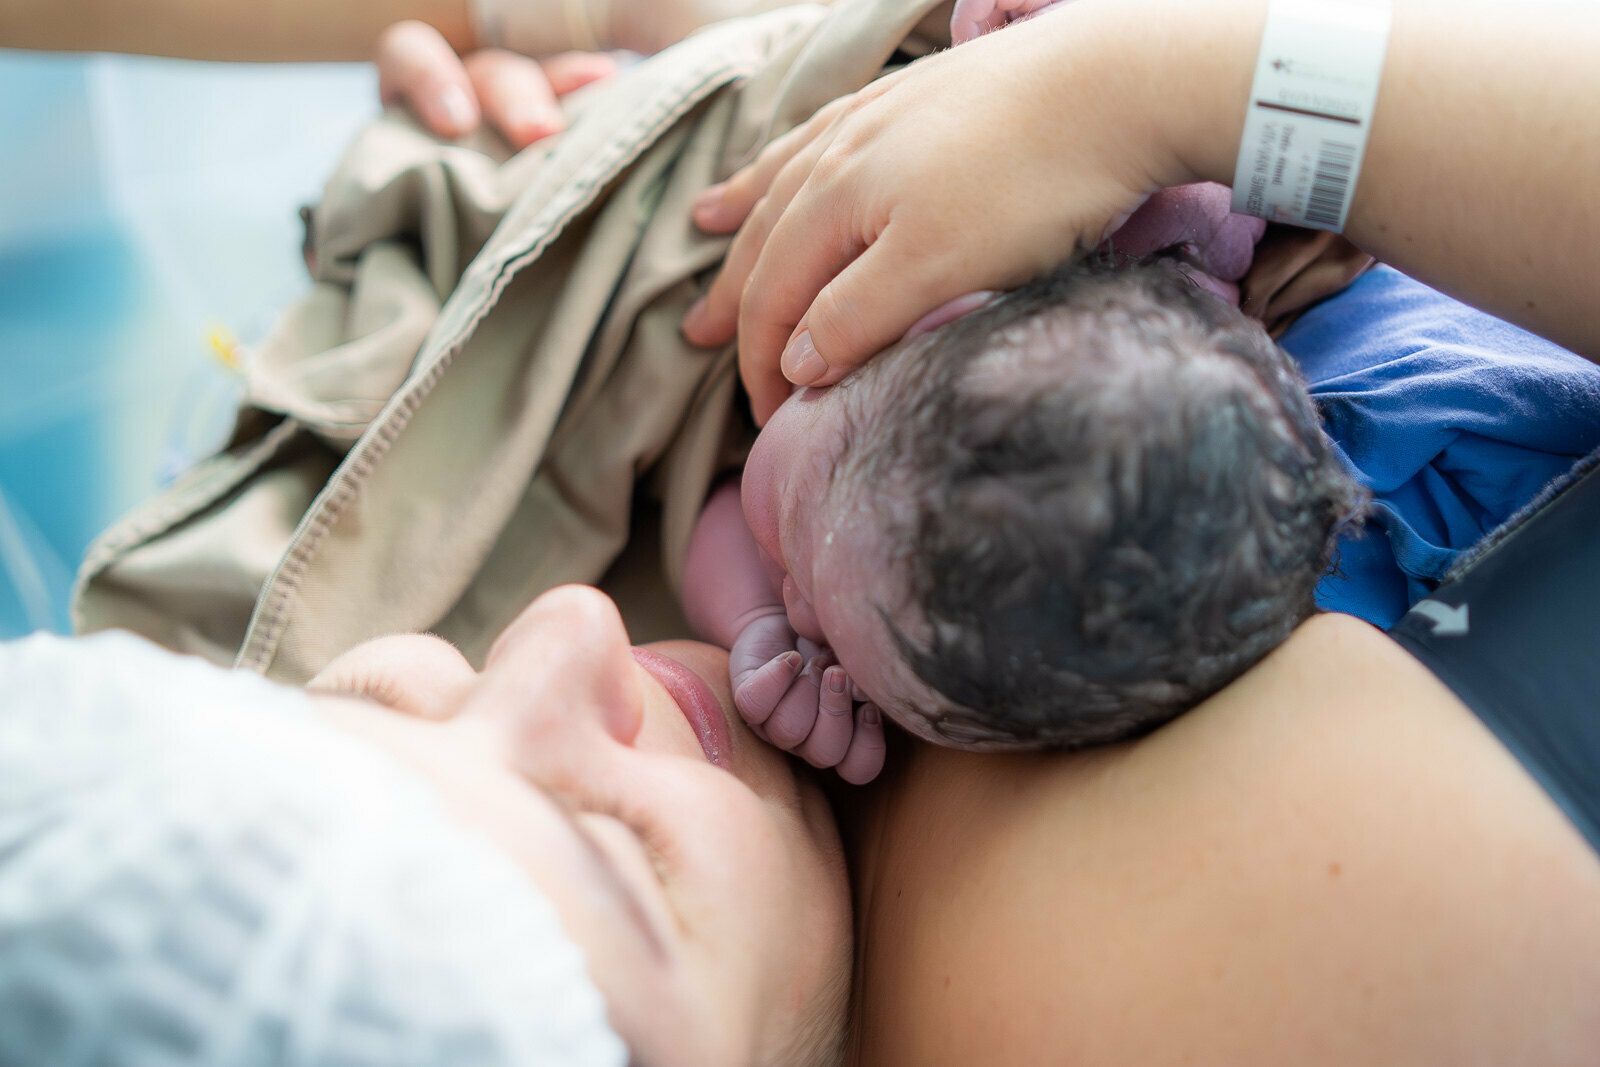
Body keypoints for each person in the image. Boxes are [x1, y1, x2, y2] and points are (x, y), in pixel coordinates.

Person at [681, 258, 1364, 782]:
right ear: (934, 319)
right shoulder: (915, 245)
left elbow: (700, 504)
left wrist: (752, 620)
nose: (797, 610)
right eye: (801, 540)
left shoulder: (849, 502)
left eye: (841, 649)